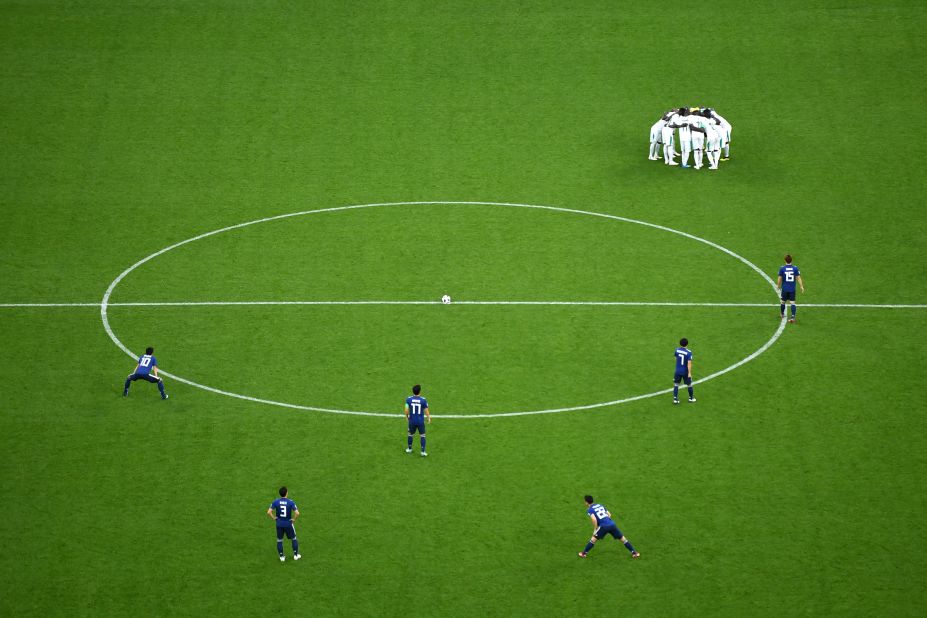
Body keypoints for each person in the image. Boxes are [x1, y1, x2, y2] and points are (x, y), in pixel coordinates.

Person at [267, 486, 301, 562]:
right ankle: (296, 555)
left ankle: (282, 557)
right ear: (286, 493)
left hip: (279, 524)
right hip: (288, 524)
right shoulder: (291, 502)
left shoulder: (276, 501)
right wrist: (294, 519)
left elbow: (269, 512)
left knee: (279, 540)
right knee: (294, 538)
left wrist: (273, 518)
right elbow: (297, 513)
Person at [777, 254, 805, 323]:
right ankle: (792, 317)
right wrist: (801, 286)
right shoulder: (795, 268)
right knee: (792, 303)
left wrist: (778, 286)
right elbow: (798, 278)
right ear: (791, 260)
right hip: (792, 289)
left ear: (785, 260)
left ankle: (782, 314)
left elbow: (779, 278)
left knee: (783, 302)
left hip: (785, 289)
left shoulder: (782, 268)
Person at [405, 384, 431, 457]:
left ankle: (409, 449)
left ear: (413, 391)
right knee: (422, 436)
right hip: (420, 422)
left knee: (410, 434)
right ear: (420, 391)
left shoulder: (408, 399)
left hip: (412, 421)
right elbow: (426, 410)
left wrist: (407, 417)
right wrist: (428, 418)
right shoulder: (423, 400)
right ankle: (423, 452)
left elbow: (406, 410)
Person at [673, 338, 696, 404]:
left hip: (677, 371)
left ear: (680, 343)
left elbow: (676, 358)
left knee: (676, 384)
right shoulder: (689, 352)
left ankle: (675, 399)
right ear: (687, 344)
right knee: (689, 385)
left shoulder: (677, 350)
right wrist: (689, 373)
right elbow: (689, 364)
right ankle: (691, 398)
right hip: (685, 372)